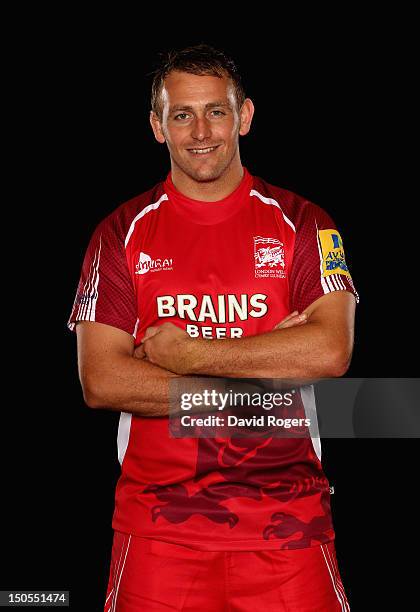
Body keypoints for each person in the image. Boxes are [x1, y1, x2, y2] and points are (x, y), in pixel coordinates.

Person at [68, 44, 358, 611]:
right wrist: (266, 373)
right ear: (157, 126)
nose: (201, 131)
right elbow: (101, 381)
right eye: (182, 114)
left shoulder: (304, 223)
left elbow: (331, 350)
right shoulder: (118, 233)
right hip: (159, 528)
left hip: (289, 524)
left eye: (216, 111)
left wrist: (185, 353)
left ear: (244, 116)